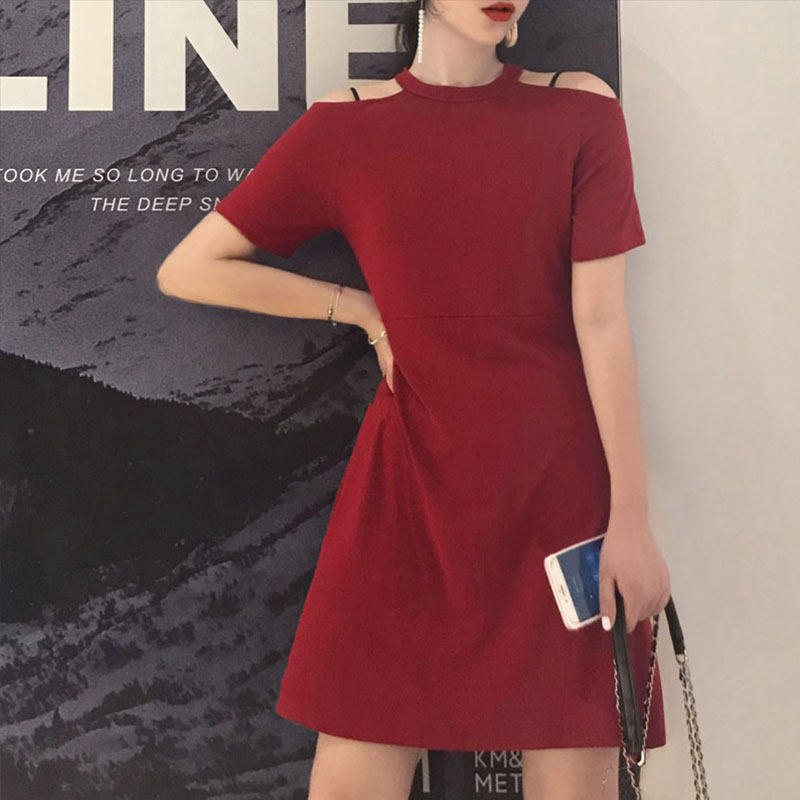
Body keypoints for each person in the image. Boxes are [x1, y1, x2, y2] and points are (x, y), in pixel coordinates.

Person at [156, 0, 672, 797]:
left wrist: (631, 523)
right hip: (409, 492)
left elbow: (602, 322)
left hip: (559, 497)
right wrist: (361, 311)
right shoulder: (346, 127)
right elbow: (190, 268)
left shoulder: (581, 109)